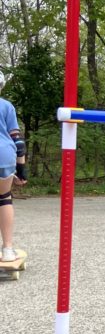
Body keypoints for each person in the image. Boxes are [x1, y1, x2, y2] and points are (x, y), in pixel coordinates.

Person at [0, 71, 27, 262]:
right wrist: (21, 171)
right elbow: (18, 142)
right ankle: (8, 250)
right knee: (4, 199)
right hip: (4, 155)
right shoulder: (6, 106)